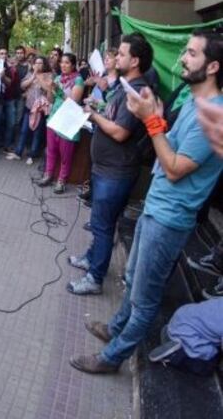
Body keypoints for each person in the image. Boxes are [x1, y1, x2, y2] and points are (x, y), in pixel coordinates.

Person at [71, 30, 223, 375]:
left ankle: (112, 358)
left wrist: (150, 120)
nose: (183, 58)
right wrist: (156, 120)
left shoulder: (212, 117)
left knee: (145, 299)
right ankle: (114, 328)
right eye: (185, 51)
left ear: (212, 66)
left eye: (192, 54)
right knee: (132, 277)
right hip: (155, 208)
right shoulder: (193, 102)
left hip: (170, 219)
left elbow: (173, 168)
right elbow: (167, 141)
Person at [67, 34, 153, 296]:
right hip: (105, 169)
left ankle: (95, 278)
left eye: (122, 54)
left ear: (135, 60)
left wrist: (93, 114)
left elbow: (119, 132)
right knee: (101, 222)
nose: (116, 58)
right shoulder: (125, 85)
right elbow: (112, 115)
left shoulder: (137, 91)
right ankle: (92, 258)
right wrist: (100, 106)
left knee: (103, 226)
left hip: (115, 173)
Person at [37, 53, 85, 194]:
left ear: (73, 65)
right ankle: (48, 175)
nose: (63, 65)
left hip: (68, 121)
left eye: (67, 63)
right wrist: (50, 88)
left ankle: (61, 181)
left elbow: (72, 101)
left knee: (65, 155)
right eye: (62, 63)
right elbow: (51, 100)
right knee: (51, 150)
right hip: (54, 118)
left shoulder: (78, 80)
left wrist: (57, 89)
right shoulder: (58, 78)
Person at [12, 55, 52, 165]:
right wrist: (33, 76)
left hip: (40, 109)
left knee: (37, 132)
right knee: (24, 130)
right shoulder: (30, 73)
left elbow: (48, 89)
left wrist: (39, 77)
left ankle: (32, 155)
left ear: (44, 64)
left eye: (40, 63)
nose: (38, 65)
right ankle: (18, 152)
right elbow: (22, 85)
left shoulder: (48, 75)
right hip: (29, 107)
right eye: (36, 63)